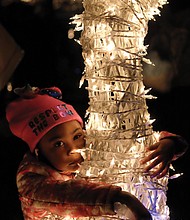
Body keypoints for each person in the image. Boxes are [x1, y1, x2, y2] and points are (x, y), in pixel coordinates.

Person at [5, 85, 188, 220]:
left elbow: (130, 142)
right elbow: (67, 196)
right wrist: (120, 198)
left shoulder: (91, 147)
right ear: (38, 151)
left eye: (77, 136)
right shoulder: (30, 182)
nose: (73, 149)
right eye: (58, 144)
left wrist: (168, 142)